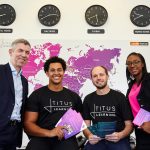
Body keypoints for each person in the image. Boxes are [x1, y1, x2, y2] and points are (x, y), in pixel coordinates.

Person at [24, 56, 82, 150]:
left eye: (59, 70)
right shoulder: (37, 95)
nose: (56, 73)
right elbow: (28, 124)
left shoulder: (74, 97)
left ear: (63, 72)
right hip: (42, 137)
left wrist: (66, 131)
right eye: (52, 70)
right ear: (47, 73)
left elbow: (79, 122)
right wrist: (50, 133)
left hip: (65, 139)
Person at [82, 66, 133, 150]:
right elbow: (85, 126)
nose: (98, 78)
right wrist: (89, 135)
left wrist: (120, 135)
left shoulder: (120, 97)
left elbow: (129, 125)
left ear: (107, 76)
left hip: (119, 140)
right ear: (92, 79)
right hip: (97, 140)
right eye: (95, 76)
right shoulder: (88, 99)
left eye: (101, 74)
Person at [0, 39, 31, 150]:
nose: (23, 55)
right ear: (10, 52)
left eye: (27, 52)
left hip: (14, 132)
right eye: (20, 50)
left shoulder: (24, 81)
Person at [126, 52, 150, 150]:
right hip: (140, 130)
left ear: (143, 64)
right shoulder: (131, 85)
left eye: (136, 62)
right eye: (129, 63)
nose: (132, 65)